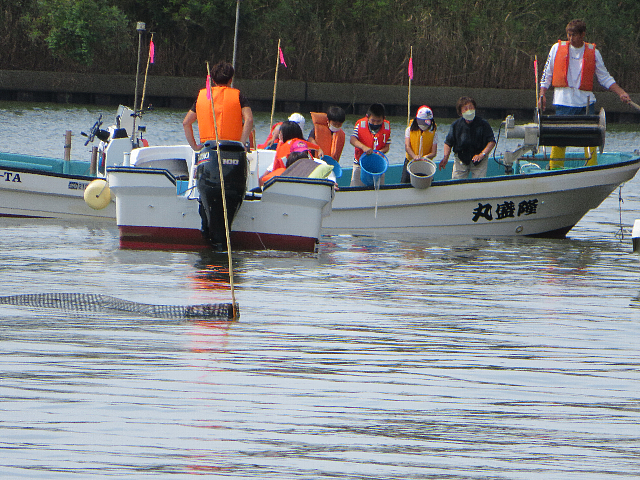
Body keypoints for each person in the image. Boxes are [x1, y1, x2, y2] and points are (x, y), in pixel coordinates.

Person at [539, 19, 630, 169]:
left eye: (574, 35)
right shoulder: (556, 48)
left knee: (590, 139)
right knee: (559, 139)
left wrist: (621, 93)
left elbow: (604, 77)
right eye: (568, 35)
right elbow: (546, 74)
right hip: (563, 102)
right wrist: (542, 94)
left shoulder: (593, 52)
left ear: (583, 34)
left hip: (586, 103)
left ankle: (591, 168)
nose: (570, 38)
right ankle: (555, 168)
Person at [182, 61, 253, 150]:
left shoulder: (203, 96)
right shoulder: (238, 96)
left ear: (213, 80)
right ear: (231, 80)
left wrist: (195, 147)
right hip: (233, 147)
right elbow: (249, 120)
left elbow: (186, 123)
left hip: (208, 147)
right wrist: (241, 144)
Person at [439, 97, 496, 180]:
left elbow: (491, 141)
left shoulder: (483, 124)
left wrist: (482, 154)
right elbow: (448, 143)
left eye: (471, 108)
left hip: (479, 160)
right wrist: (445, 157)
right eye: (465, 109)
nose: (469, 111)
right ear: (460, 113)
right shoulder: (456, 125)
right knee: (456, 183)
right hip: (461, 159)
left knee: (478, 185)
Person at [350, 103, 391, 186]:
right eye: (373, 121)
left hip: (377, 167)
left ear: (384, 118)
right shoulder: (360, 125)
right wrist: (363, 147)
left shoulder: (386, 127)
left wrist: (380, 152)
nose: (375, 124)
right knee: (356, 191)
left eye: (378, 121)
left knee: (378, 192)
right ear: (367, 117)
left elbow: (387, 147)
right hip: (360, 165)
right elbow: (352, 139)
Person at [402, 105, 438, 183]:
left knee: (427, 184)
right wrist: (414, 156)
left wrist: (426, 157)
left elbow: (434, 152)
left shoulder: (433, 133)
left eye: (427, 122)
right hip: (410, 161)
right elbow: (407, 147)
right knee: (405, 183)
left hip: (425, 163)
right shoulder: (409, 130)